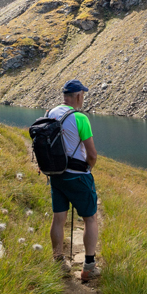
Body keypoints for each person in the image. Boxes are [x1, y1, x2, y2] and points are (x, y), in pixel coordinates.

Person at [47, 79, 101, 282]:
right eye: (83, 95)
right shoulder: (80, 118)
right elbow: (92, 155)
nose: (83, 98)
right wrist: (88, 168)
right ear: (78, 95)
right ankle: (89, 266)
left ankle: (58, 261)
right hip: (78, 176)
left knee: (58, 218)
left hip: (56, 175)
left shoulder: (51, 113)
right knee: (90, 218)